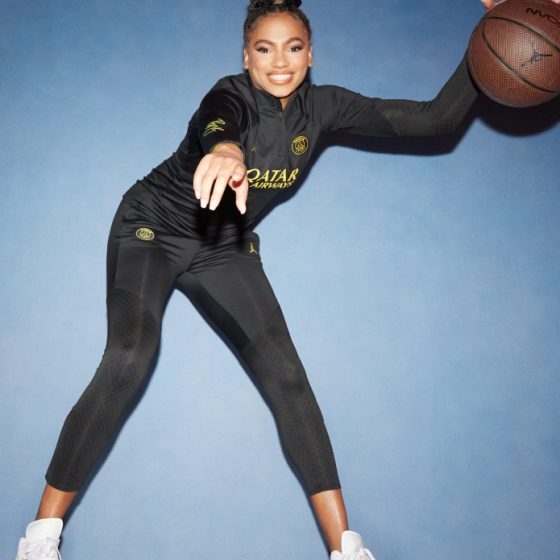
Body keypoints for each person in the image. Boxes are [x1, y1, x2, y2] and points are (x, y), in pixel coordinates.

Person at [18, 0, 558, 558]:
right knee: (129, 357)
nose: (280, 62)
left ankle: (346, 548)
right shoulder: (228, 95)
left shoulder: (323, 108)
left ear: (311, 55)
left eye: (293, 47)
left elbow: (435, 121)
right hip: (152, 229)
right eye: (265, 49)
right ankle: (40, 537)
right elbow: (217, 120)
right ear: (246, 56)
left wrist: (492, 33)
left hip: (222, 247)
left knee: (289, 379)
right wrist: (225, 148)